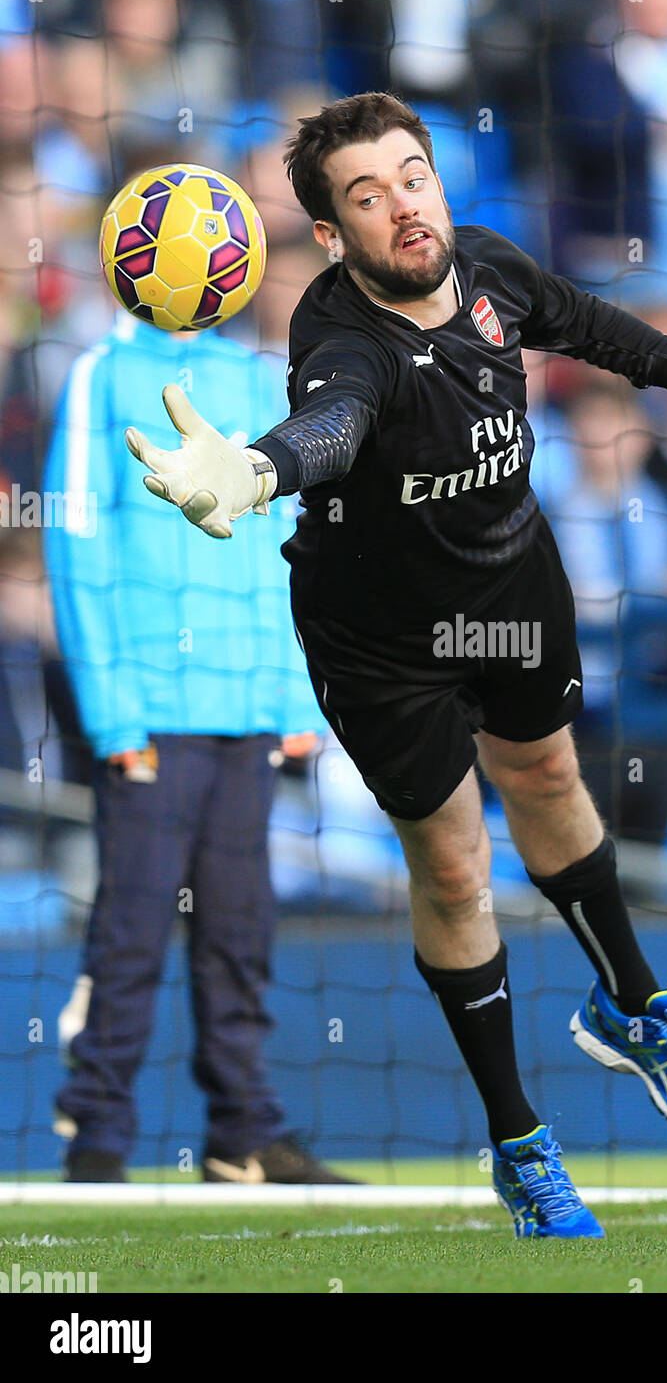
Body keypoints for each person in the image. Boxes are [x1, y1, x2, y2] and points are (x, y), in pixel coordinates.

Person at [124, 92, 667, 1236]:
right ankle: (522, 1144)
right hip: (379, 642)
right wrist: (250, 472)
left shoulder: (487, 267)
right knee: (453, 866)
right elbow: (328, 426)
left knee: (547, 778)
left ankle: (639, 1005)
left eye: (413, 175)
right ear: (331, 237)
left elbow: (596, 328)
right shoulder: (340, 340)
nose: (403, 206)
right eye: (367, 196)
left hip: (509, 585)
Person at [45, 307, 350, 1186]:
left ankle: (242, 1136)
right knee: (130, 934)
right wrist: (111, 714)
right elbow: (75, 544)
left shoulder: (256, 375)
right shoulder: (96, 373)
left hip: (246, 708)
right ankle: (96, 1142)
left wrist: (295, 692)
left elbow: (280, 536)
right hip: (148, 710)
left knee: (240, 932)